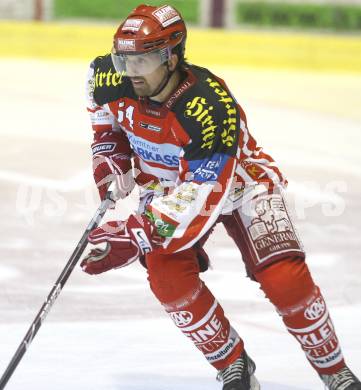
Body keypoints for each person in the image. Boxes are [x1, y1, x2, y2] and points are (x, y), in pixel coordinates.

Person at [81, 4, 360, 389]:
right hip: (166, 189)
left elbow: (202, 194)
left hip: (239, 183)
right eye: (123, 59)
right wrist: (110, 153)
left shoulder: (208, 107)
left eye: (142, 61)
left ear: (171, 56)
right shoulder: (106, 74)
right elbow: (104, 119)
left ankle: (336, 373)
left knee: (284, 280)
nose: (130, 73)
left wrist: (134, 235)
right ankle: (233, 363)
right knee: (168, 280)